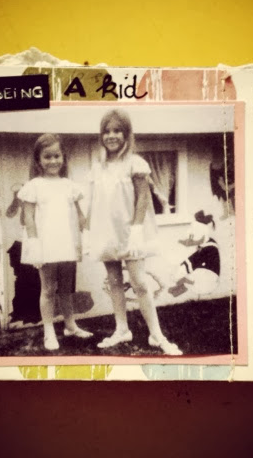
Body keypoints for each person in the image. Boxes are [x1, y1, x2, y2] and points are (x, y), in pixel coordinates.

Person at [88, 109, 182, 355]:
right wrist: (90, 230)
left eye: (117, 130)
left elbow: (143, 197)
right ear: (101, 135)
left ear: (127, 134)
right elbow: (95, 201)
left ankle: (156, 335)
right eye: (107, 131)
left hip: (131, 232)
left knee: (139, 282)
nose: (111, 136)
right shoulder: (98, 166)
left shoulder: (135, 163)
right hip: (107, 232)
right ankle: (122, 329)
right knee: (114, 282)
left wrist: (137, 229)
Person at [18, 133, 93, 351]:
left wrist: (87, 236)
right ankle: (49, 331)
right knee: (48, 289)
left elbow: (81, 215)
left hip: (67, 243)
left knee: (66, 288)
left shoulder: (69, 185)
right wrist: (34, 244)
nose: (53, 161)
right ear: (38, 160)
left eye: (57, 156)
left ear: (63, 157)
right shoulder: (34, 186)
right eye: (47, 157)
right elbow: (28, 217)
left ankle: (70, 326)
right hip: (46, 244)